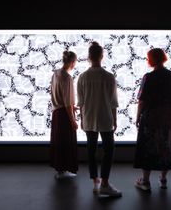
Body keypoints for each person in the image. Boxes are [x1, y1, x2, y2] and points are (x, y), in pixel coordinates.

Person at [134, 48, 171, 191]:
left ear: (150, 60)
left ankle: (145, 181)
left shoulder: (148, 77)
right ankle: (163, 179)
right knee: (167, 144)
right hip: (169, 115)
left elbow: (142, 101)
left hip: (152, 116)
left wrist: (138, 117)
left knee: (148, 144)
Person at [77, 41, 122, 197]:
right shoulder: (109, 77)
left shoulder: (82, 77)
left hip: (89, 117)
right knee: (109, 149)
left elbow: (81, 102)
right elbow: (113, 101)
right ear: (102, 56)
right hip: (105, 117)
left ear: (89, 57)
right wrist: (115, 120)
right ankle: (105, 183)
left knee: (91, 150)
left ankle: (95, 181)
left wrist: (82, 120)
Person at [50, 51, 78, 179]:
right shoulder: (67, 77)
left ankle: (60, 169)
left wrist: (72, 107)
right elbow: (67, 102)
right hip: (64, 115)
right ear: (72, 62)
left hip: (56, 112)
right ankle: (64, 170)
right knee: (66, 141)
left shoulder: (55, 73)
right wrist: (73, 120)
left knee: (58, 141)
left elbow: (59, 97)